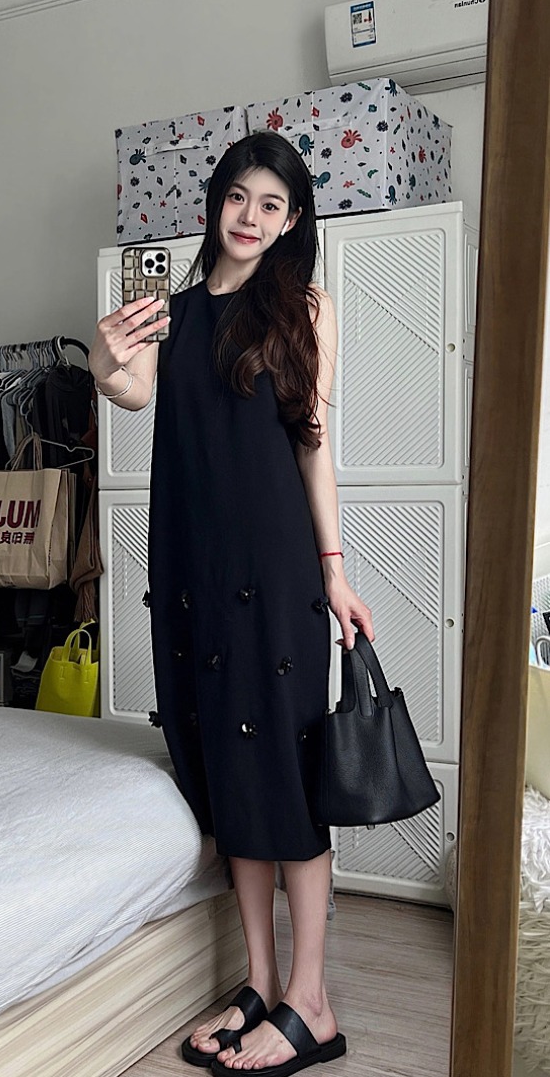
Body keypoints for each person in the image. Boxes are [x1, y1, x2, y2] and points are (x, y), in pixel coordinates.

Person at [88, 131, 374, 1076]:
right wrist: (105, 361)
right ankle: (259, 982)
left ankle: (313, 1001)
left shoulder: (305, 309)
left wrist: (334, 570)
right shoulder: (171, 314)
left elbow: (313, 447)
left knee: (287, 776)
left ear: (293, 223)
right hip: (193, 571)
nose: (251, 219)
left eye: (272, 207)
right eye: (239, 198)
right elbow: (133, 395)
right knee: (228, 770)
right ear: (216, 201)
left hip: (280, 568)